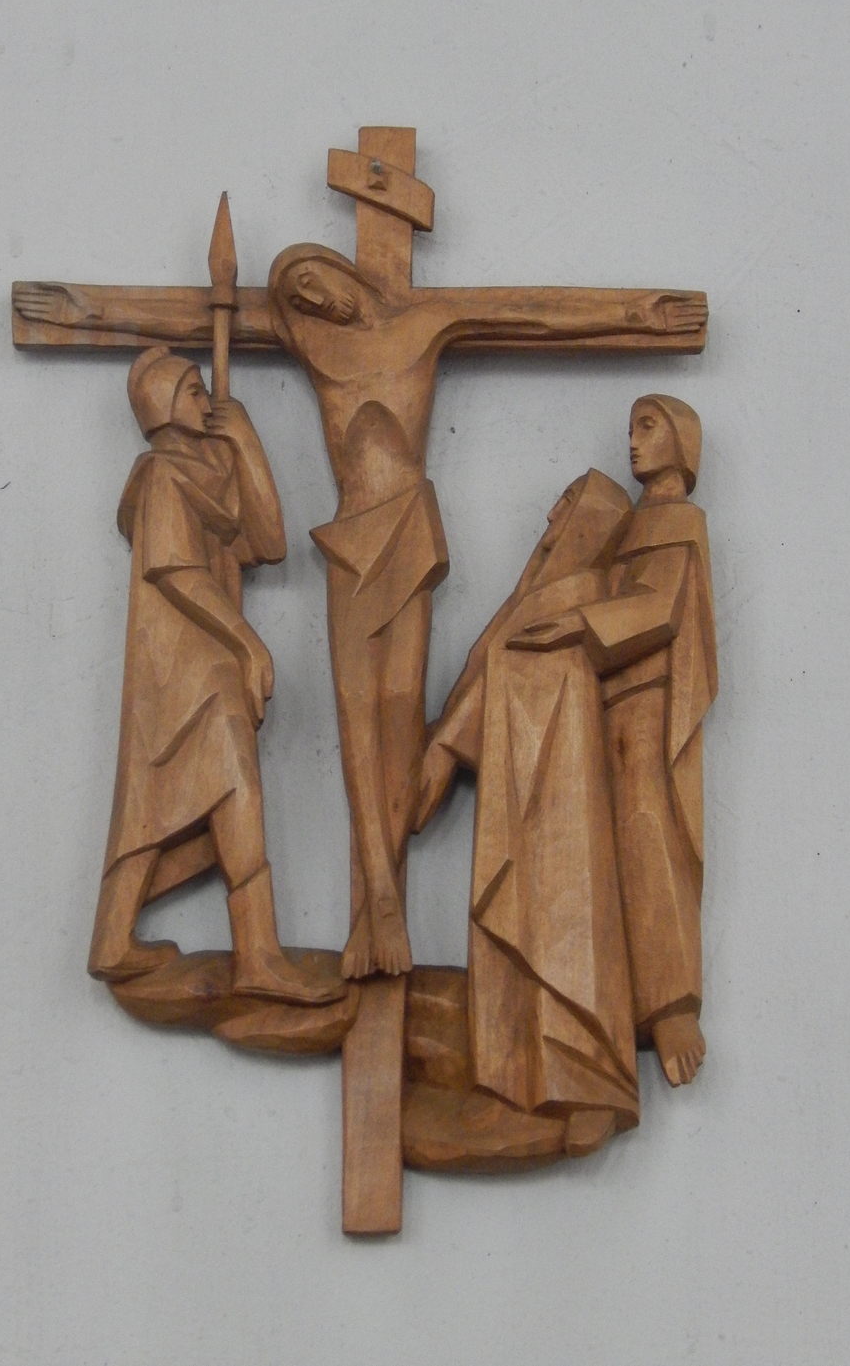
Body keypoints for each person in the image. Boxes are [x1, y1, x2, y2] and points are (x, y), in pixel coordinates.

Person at [267, 243, 707, 981]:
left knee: (401, 718)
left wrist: (638, 316)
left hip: (408, 534)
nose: (315, 298)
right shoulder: (314, 351)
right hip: (347, 542)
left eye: (315, 277)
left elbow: (528, 315)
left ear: (346, 269)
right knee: (353, 718)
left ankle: (384, 906)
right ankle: (377, 902)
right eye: (297, 294)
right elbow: (227, 316)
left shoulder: (422, 323)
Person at [87, 346, 343, 1008]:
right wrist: (248, 643)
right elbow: (178, 573)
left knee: (190, 797)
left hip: (210, 659)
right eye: (194, 390)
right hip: (180, 665)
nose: (207, 399)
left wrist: (247, 442)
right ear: (164, 405)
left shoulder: (210, 472)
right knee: (219, 794)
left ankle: (116, 939)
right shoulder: (160, 477)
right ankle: (256, 957)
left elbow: (269, 542)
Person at [417, 469, 640, 1157]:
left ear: (589, 522)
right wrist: (442, 744)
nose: (549, 516)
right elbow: (492, 665)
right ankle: (510, 1077)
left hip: (563, 791)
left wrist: (446, 747)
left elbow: (515, 660)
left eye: (566, 504)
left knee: (566, 922)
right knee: (513, 924)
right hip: (515, 783)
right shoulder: (536, 598)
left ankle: (594, 1086)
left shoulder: (584, 596)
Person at [508, 395, 717, 1085]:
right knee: (604, 848)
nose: (632, 440)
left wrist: (576, 624)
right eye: (631, 428)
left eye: (647, 427)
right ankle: (613, 998)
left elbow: (658, 609)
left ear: (683, 443)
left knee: (649, 833)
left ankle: (672, 1006)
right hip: (604, 703)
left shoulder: (679, 520)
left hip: (649, 701)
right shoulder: (633, 522)